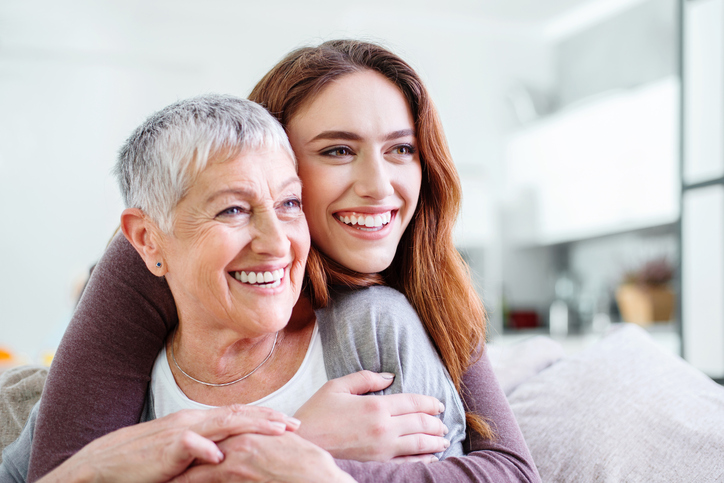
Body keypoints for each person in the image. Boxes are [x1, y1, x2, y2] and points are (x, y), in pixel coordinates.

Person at [27, 40, 540, 482]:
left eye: (401, 149)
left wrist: (301, 463)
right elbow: (67, 466)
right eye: (338, 151)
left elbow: (511, 470)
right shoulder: (155, 253)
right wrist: (293, 441)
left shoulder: (416, 279)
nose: (378, 186)